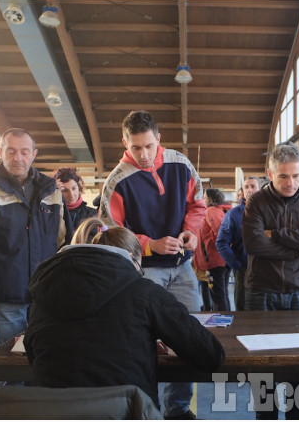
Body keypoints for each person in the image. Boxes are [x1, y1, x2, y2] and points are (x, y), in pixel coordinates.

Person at [24, 217, 225, 412]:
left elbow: (33, 351)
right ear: (130, 258)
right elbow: (210, 354)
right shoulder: (144, 292)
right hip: (127, 411)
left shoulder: (45, 291)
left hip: (52, 411)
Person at [99, 110, 206, 419]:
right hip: (144, 273)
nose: (144, 155)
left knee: (187, 337)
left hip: (183, 268)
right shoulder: (116, 182)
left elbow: (197, 205)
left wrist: (192, 231)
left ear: (159, 139)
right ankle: (148, 409)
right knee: (143, 342)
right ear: (125, 143)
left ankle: (178, 410)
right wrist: (149, 245)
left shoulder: (181, 164)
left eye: (148, 146)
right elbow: (110, 234)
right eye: (136, 148)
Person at [0, 128, 72, 350]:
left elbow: (66, 247)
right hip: (6, 302)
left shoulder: (52, 191)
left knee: (46, 366)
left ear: (34, 154)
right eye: (11, 151)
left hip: (46, 300)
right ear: (0, 152)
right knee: (11, 372)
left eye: (25, 152)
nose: (18, 158)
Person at [242, 143, 299, 419]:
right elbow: (254, 244)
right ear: (270, 173)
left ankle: (298, 416)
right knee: (260, 365)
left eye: (297, 176)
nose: (291, 183)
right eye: (283, 176)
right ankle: (265, 416)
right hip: (261, 291)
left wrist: (276, 234)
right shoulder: (256, 202)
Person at [216, 176, 261, 311]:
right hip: (244, 269)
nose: (250, 190)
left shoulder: (270, 212)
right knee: (243, 309)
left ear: (260, 189)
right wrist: (236, 265)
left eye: (253, 186)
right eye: (246, 187)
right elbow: (221, 243)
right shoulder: (232, 215)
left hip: (269, 269)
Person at [194, 189, 232, 311]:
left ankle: (222, 324)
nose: (203, 199)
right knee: (222, 293)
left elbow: (220, 231)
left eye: (205, 197)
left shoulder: (211, 211)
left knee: (218, 295)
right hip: (222, 259)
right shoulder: (224, 211)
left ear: (211, 199)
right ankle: (227, 321)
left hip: (214, 260)